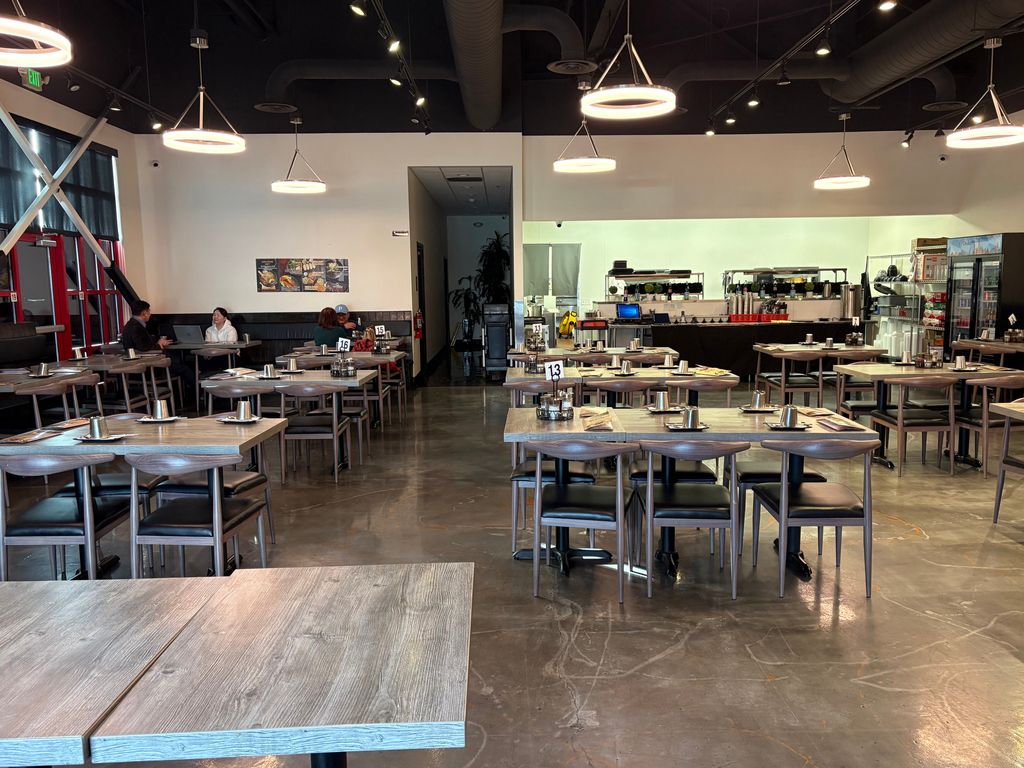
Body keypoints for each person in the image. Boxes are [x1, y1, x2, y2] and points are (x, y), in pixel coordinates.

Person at [121, 299, 194, 398]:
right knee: (185, 369)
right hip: (149, 367)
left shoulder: (130, 325)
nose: (150, 314)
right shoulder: (136, 327)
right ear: (144, 313)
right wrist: (159, 344)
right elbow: (144, 348)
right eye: (149, 311)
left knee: (180, 365)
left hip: (136, 366)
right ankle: (198, 394)